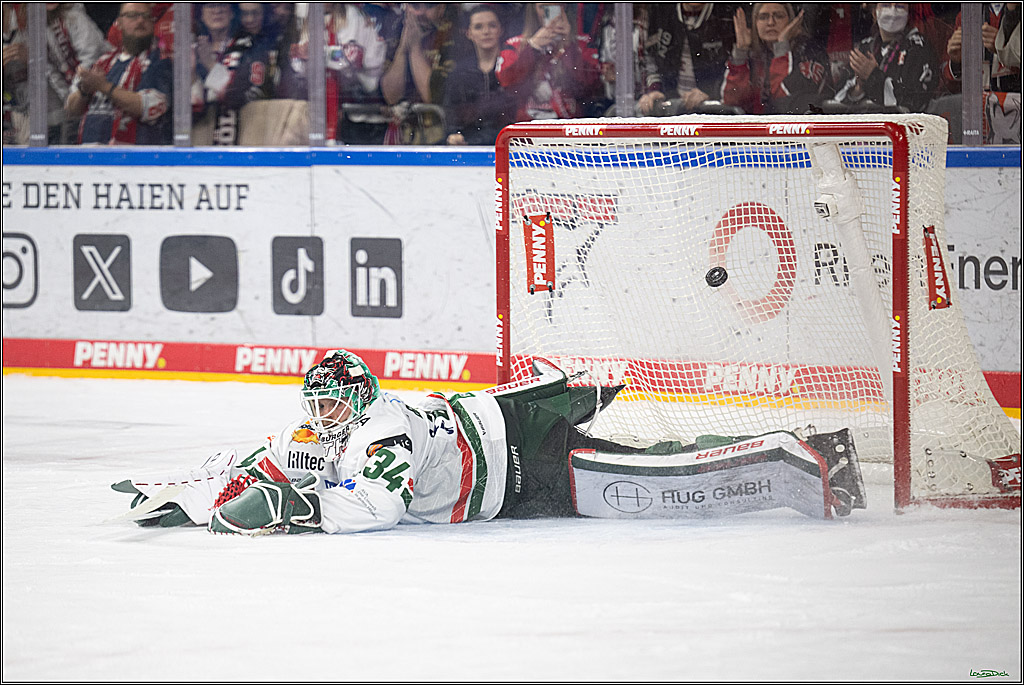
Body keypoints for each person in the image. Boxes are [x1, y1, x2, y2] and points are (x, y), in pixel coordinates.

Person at [111, 350, 867, 535]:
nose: (327, 411)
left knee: (660, 478)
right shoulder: (316, 429)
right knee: (649, 461)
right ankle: (805, 449)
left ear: (363, 396)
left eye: (338, 396)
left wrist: (296, 510)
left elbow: (376, 506)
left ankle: (811, 457)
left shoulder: (384, 426)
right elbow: (253, 461)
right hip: (503, 421)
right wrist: (185, 492)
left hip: (522, 459)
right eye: (319, 399)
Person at [64, 2, 172, 145]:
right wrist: (84, 90)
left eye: (146, 16)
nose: (140, 20)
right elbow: (71, 109)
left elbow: (150, 107)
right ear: (119, 23)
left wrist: (103, 86)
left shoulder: (159, 62)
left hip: (130, 160)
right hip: (88, 158)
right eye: (133, 16)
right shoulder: (103, 61)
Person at [3, 3, 111, 144]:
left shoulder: (74, 18)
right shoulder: (34, 29)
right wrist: (69, 102)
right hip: (71, 110)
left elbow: (92, 57)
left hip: (101, 97)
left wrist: (72, 96)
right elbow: (51, 71)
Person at [495, 2, 603, 121]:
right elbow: (508, 84)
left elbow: (591, 86)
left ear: (564, 7)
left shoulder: (582, 42)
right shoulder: (515, 44)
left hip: (570, 127)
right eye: (543, 7)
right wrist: (533, 48)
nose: (549, 11)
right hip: (528, 126)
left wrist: (567, 45)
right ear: (533, 9)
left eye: (556, 6)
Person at [722, 2, 832, 114]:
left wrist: (782, 46)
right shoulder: (752, 56)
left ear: (791, 21)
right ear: (755, 23)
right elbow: (731, 100)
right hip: (755, 127)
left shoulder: (810, 52)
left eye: (778, 16)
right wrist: (741, 52)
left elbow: (784, 101)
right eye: (763, 17)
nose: (771, 23)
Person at [833, 2, 938, 113]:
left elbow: (914, 101)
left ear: (908, 14)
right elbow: (837, 99)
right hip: (865, 125)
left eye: (900, 6)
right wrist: (859, 88)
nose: (893, 11)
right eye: (886, 4)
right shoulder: (865, 47)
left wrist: (873, 76)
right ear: (874, 13)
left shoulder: (918, 47)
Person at [638, 3, 734, 116]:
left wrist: (711, 92)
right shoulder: (660, 11)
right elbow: (651, 58)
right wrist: (654, 89)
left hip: (714, 113)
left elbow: (736, 64)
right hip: (670, 111)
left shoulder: (727, 14)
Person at [443, 4, 515, 146]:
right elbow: (451, 114)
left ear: (501, 30)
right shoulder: (459, 73)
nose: (486, 31)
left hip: (509, 146)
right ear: (468, 33)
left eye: (492, 26)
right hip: (469, 146)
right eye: (478, 27)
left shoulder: (513, 67)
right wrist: (454, 135)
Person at [325, 2, 392, 145]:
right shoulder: (316, 17)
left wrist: (319, 53)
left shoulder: (352, 15)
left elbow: (350, 58)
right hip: (347, 113)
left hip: (370, 112)